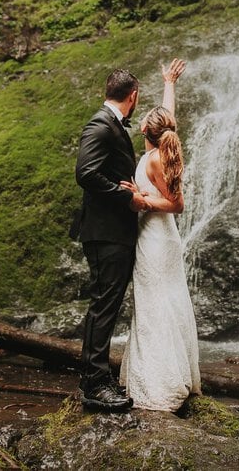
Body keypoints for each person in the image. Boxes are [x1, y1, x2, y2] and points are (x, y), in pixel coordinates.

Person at [119, 59, 201, 411]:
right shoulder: (162, 146)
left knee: (154, 303)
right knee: (164, 299)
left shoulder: (153, 159)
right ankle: (167, 370)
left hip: (156, 237)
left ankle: (160, 382)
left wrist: (141, 200)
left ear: (147, 134)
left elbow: (176, 204)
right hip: (158, 238)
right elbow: (168, 115)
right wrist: (169, 82)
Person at [73, 68, 150, 411]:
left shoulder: (110, 123)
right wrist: (126, 198)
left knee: (107, 302)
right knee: (104, 303)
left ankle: (97, 376)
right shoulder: (101, 124)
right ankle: (93, 383)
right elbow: (86, 173)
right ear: (132, 95)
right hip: (106, 232)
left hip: (113, 232)